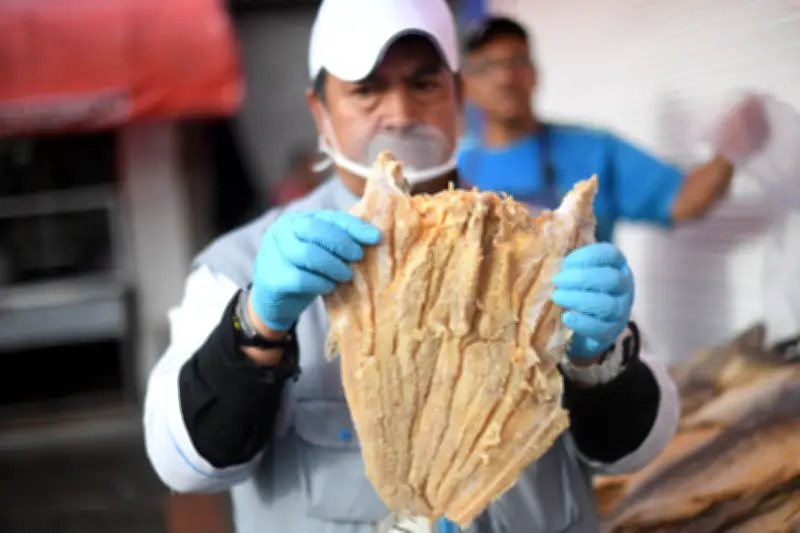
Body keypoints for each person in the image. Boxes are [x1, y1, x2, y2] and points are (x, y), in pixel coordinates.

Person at [142, 1, 679, 532]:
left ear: (458, 95)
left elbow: (636, 451)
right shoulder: (240, 264)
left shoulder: (544, 243)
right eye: (366, 89)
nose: (399, 113)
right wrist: (252, 327)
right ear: (319, 112)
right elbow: (184, 464)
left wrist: (600, 363)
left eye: (424, 84)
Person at [458, 16, 766, 243]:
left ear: (535, 74)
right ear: (466, 87)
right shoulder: (454, 171)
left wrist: (730, 151)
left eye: (516, 62)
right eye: (486, 66)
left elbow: (683, 199)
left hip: (588, 329)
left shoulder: (593, 150)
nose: (504, 78)